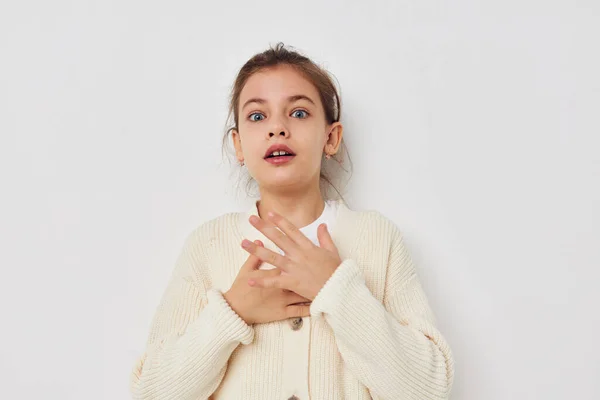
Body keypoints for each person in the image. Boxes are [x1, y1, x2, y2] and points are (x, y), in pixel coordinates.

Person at [129, 42, 455, 400]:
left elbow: (429, 390)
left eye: (298, 113)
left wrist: (336, 289)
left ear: (331, 138)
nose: (278, 128)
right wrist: (233, 312)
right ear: (238, 146)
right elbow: (152, 393)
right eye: (257, 116)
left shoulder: (376, 238)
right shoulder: (207, 245)